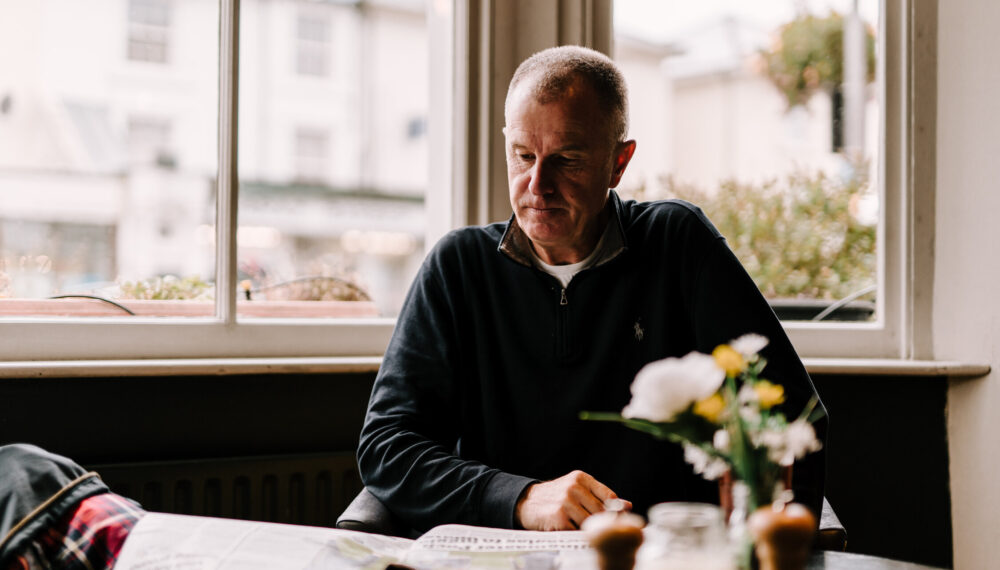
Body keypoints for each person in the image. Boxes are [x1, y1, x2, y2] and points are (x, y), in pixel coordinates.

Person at [358, 44, 826, 533]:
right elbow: (387, 446)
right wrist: (521, 499)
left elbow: (792, 417)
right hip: (501, 555)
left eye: (567, 160)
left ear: (618, 163)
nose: (537, 186)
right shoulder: (458, 268)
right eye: (522, 156)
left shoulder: (678, 244)